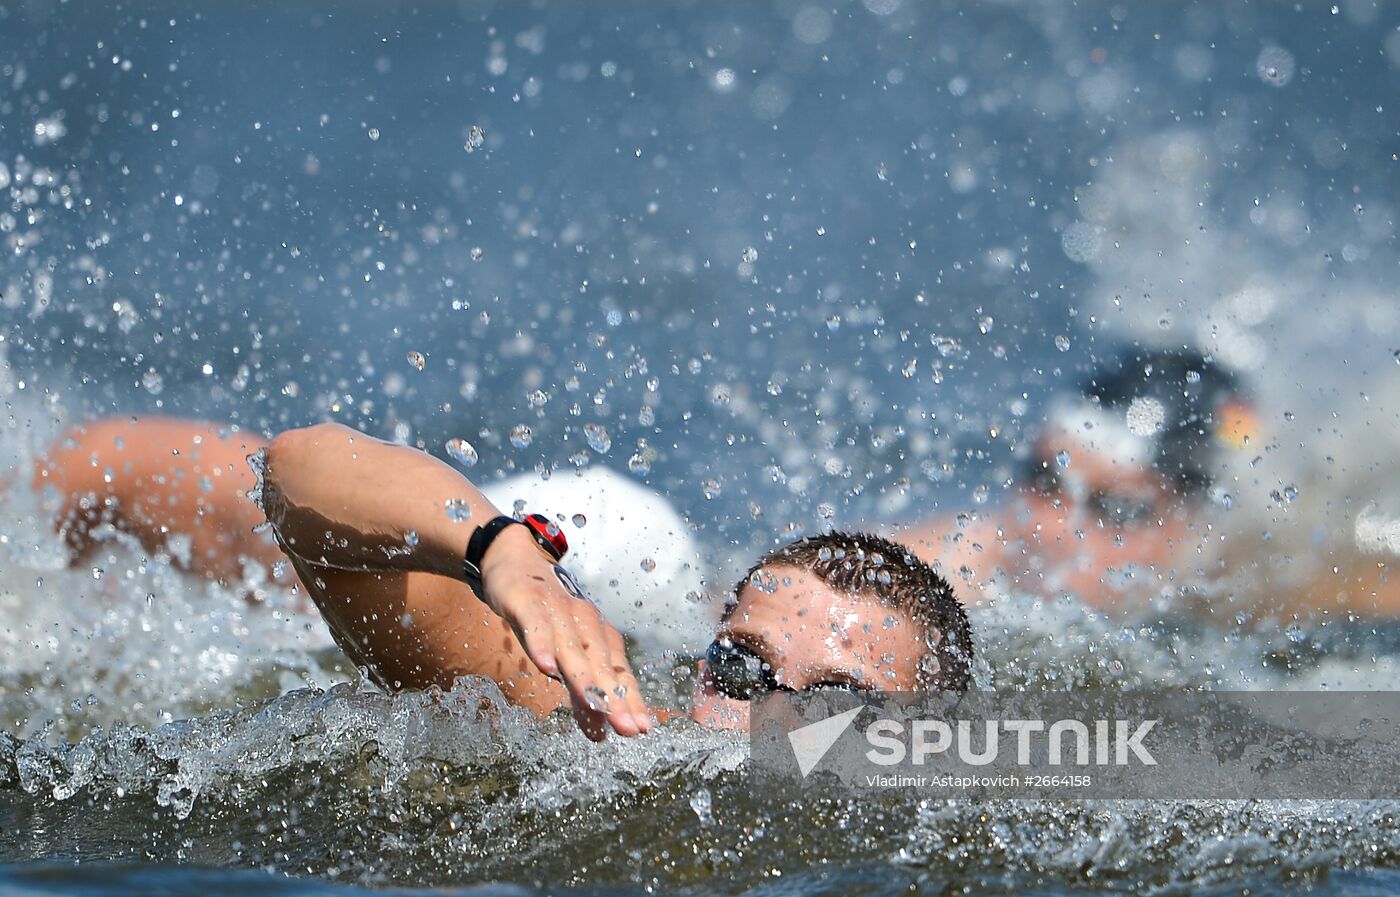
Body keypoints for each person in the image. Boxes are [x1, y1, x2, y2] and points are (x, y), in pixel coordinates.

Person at [32, 418, 973, 740]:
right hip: (544, 552)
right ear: (701, 670)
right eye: (740, 672)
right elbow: (298, 468)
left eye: (840, 709)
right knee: (80, 473)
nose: (769, 723)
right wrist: (501, 552)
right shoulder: (577, 726)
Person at [899, 345, 1257, 612]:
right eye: (1045, 481)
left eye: (1115, 508)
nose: (1051, 528)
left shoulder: (1258, 598)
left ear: (1194, 529)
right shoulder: (947, 566)